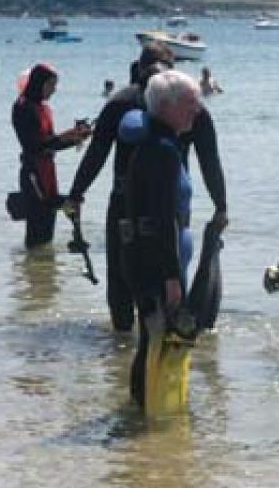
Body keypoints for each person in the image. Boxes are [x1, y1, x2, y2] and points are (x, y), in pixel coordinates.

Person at [66, 43, 228, 332]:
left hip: (124, 203)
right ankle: (165, 338)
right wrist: (220, 205)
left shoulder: (120, 102)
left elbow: (96, 154)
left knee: (121, 276)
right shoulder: (191, 107)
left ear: (139, 68)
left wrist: (77, 193)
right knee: (171, 272)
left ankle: (121, 347)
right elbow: (210, 160)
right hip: (172, 204)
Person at [120, 70, 201, 408]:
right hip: (155, 261)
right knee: (157, 340)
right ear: (166, 107)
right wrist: (170, 276)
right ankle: (148, 416)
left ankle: (142, 415)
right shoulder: (163, 151)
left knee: (151, 340)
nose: (196, 109)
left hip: (143, 254)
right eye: (190, 103)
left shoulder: (154, 144)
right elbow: (162, 217)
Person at [11, 63, 92, 249]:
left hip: (47, 172)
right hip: (33, 174)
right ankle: (34, 269)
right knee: (38, 226)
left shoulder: (44, 109)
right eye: (51, 85)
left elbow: (51, 142)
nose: (54, 90)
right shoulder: (23, 108)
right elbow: (35, 146)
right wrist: (73, 136)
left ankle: (40, 273)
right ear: (40, 83)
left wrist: (77, 136)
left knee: (47, 230)